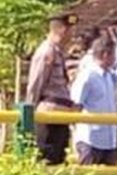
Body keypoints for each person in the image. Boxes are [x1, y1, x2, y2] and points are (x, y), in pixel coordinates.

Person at [70, 30, 117, 166]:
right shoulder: (87, 76)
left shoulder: (109, 76)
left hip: (109, 138)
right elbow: (76, 105)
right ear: (105, 54)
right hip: (90, 139)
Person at [26, 13, 79, 165]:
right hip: (48, 115)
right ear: (61, 30)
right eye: (70, 30)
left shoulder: (58, 52)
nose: (72, 35)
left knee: (59, 160)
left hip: (61, 115)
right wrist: (30, 112)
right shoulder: (46, 52)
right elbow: (36, 84)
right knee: (47, 159)